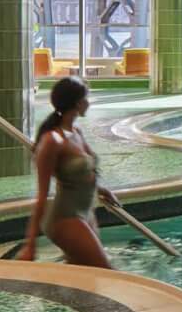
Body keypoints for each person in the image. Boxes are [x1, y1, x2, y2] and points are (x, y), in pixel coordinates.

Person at [17, 76, 111, 269]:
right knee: (108, 273)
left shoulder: (76, 132)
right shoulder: (52, 141)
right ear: (78, 103)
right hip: (65, 218)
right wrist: (30, 244)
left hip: (85, 213)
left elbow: (86, 169)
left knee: (86, 277)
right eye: (87, 98)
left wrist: (100, 188)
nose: (89, 103)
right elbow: (42, 197)